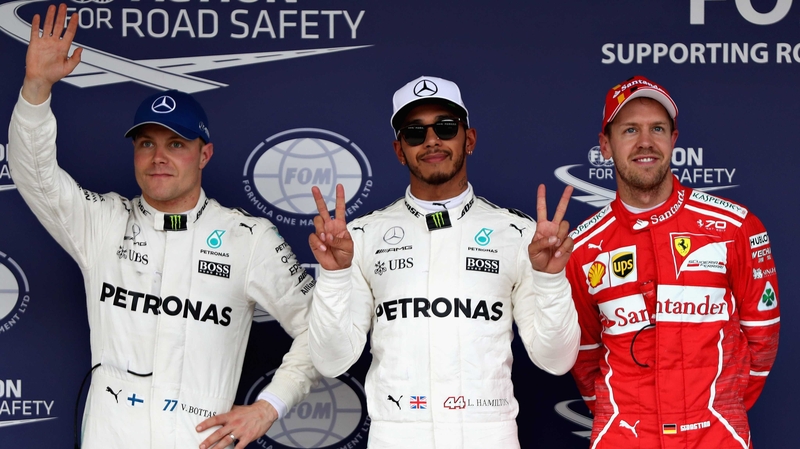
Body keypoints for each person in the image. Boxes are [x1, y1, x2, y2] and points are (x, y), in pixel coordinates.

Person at [8, 5, 320, 448]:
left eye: (176, 143)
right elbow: (34, 175)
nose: (159, 157)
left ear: (204, 154)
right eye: (146, 143)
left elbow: (319, 331)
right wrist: (37, 87)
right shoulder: (103, 223)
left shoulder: (247, 239)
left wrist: (270, 406)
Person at [305, 75, 580, 448]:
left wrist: (550, 280)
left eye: (446, 127)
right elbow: (331, 361)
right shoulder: (360, 238)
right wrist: (334, 277)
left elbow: (557, 359)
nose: (431, 140)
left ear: (469, 140)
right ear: (400, 150)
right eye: (415, 133)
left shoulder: (518, 235)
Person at [568, 75, 780, 448]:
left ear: (673, 141)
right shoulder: (583, 246)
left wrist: (722, 408)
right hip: (624, 436)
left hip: (716, 435)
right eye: (630, 129)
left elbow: (763, 336)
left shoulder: (735, 227)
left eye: (658, 129)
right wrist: (620, 414)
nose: (645, 142)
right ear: (605, 145)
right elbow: (583, 355)